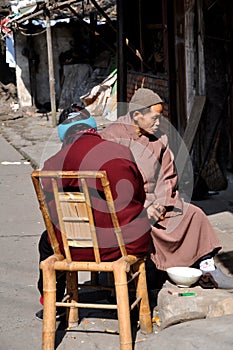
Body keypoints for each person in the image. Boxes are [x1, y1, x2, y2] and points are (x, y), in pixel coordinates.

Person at [101, 87, 233, 289]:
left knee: (194, 215)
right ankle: (155, 271)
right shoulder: (112, 137)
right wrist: (144, 206)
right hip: (129, 206)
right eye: (154, 118)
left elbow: (168, 176)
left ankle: (206, 267)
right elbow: (112, 182)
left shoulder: (159, 139)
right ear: (137, 115)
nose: (158, 123)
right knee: (144, 226)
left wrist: (162, 204)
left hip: (159, 202)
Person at [35, 106, 151, 320]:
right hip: (125, 245)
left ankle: (52, 301)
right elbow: (139, 196)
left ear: (64, 133)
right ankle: (128, 292)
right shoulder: (121, 152)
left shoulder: (52, 165)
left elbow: (52, 211)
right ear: (92, 127)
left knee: (47, 240)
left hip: (74, 249)